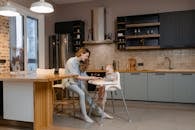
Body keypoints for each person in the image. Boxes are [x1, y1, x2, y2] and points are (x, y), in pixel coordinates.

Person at [63, 47, 112, 123]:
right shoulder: (71, 61)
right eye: (86, 56)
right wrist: (91, 77)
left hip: (77, 82)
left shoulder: (80, 63)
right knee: (82, 94)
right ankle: (85, 116)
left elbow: (84, 75)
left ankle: (101, 113)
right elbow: (77, 77)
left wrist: (95, 78)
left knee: (88, 96)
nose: (87, 58)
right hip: (69, 82)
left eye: (88, 57)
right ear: (81, 53)